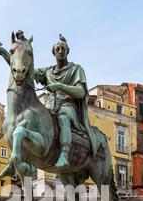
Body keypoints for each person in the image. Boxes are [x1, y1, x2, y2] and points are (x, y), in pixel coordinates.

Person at [34, 35, 100, 168]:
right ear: (53, 52)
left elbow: (81, 92)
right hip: (48, 107)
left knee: (63, 117)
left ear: (67, 51)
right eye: (57, 49)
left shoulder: (76, 69)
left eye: (63, 48)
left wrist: (60, 86)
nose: (60, 51)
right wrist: (10, 55)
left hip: (67, 105)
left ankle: (64, 155)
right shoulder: (47, 71)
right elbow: (25, 69)